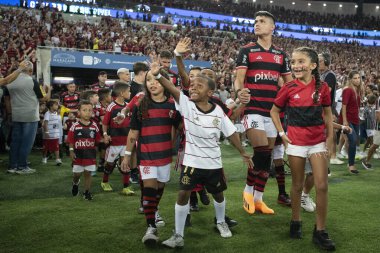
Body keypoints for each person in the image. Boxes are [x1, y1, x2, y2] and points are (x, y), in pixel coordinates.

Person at [150, 62, 253, 248]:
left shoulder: (219, 112)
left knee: (218, 194)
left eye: (199, 86)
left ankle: (220, 221)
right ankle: (178, 235)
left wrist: (243, 152)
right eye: (192, 85)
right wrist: (158, 76)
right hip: (191, 162)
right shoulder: (186, 105)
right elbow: (172, 88)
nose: (193, 88)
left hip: (213, 163)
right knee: (183, 194)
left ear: (209, 93)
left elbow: (231, 133)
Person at [270, 47, 335, 251]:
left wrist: (330, 139)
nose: (296, 65)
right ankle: (295, 221)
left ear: (313, 65)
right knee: (297, 185)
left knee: (322, 185)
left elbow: (327, 114)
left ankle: (320, 231)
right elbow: (274, 111)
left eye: (301, 61)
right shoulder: (288, 87)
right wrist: (282, 134)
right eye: (294, 62)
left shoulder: (323, 88)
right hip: (295, 143)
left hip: (317, 142)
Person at [235, 11, 292, 215]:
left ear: (272, 27)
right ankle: (247, 192)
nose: (257, 24)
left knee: (266, 158)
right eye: (256, 21)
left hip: (272, 112)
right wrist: (239, 91)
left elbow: (289, 83)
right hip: (253, 109)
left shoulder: (281, 55)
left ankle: (258, 199)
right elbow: (239, 78)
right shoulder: (246, 50)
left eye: (262, 21)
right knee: (261, 152)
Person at [121, 70, 181, 245]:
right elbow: (133, 132)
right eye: (148, 80)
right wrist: (127, 156)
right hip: (146, 155)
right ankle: (151, 228)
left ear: (165, 83)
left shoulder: (173, 106)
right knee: (149, 189)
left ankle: (153, 211)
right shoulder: (141, 105)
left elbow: (181, 127)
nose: (152, 83)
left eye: (156, 80)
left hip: (164, 156)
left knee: (159, 190)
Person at [4, 61, 51, 174]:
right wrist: (48, 90)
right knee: (26, 142)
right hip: (30, 116)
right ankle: (22, 166)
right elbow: (44, 99)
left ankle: (12, 166)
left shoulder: (10, 80)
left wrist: (9, 113)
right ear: (30, 70)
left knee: (15, 141)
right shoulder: (32, 81)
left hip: (16, 114)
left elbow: (7, 99)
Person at [101, 81, 134, 195]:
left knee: (125, 164)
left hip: (126, 141)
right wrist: (105, 135)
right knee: (110, 164)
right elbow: (105, 123)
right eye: (128, 91)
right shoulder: (112, 107)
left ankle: (125, 187)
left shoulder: (128, 106)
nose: (130, 93)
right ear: (121, 93)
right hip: (114, 141)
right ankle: (104, 181)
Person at [67, 101, 101, 200]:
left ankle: (86, 192)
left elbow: (98, 139)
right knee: (77, 174)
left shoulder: (94, 126)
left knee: (88, 173)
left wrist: (105, 139)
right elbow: (71, 140)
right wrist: (71, 151)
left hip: (90, 154)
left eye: (90, 110)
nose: (87, 112)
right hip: (78, 154)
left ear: (93, 112)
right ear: (79, 112)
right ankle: (75, 183)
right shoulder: (75, 126)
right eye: (84, 110)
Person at [340, 71, 362, 174]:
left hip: (355, 119)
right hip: (348, 119)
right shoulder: (348, 90)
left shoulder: (357, 90)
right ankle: (351, 165)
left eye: (358, 78)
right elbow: (343, 106)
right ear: (350, 79)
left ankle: (349, 159)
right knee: (352, 140)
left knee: (352, 141)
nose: (357, 80)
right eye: (355, 78)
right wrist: (345, 121)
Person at [42, 100, 63, 166]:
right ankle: (44, 157)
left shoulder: (57, 113)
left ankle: (57, 159)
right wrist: (46, 132)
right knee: (46, 147)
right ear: (51, 107)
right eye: (55, 105)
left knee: (56, 147)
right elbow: (45, 123)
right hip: (49, 134)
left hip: (56, 134)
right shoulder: (47, 114)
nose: (57, 106)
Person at [362, 95, 378, 170]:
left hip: (373, 127)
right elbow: (364, 117)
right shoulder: (366, 109)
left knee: (369, 140)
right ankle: (373, 153)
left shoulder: (374, 108)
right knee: (371, 140)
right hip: (368, 127)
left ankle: (364, 151)